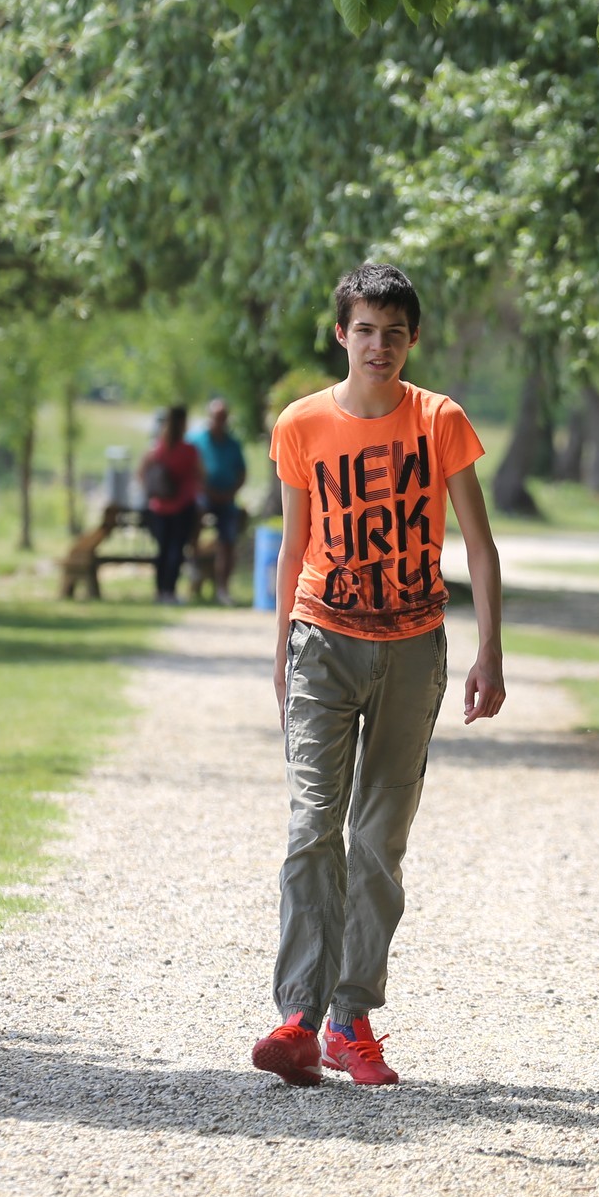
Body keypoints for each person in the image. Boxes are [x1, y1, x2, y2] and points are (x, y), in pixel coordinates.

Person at [252, 262, 507, 1087]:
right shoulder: (300, 424)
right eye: (365, 329)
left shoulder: (440, 421)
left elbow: (479, 544)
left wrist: (490, 649)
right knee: (311, 827)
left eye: (395, 332)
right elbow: (293, 547)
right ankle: (298, 1016)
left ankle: (350, 1019)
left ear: (413, 339)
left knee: (377, 841)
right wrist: (281, 649)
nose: (379, 346)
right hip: (322, 642)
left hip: (412, 647)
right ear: (341, 334)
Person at [141, 404, 204, 605]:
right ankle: (169, 591)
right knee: (176, 550)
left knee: (162, 550)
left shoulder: (156, 449)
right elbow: (201, 475)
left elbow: (142, 473)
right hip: (183, 507)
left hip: (158, 507)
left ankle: (160, 590)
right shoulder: (189, 451)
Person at [189, 397, 249, 605]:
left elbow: (242, 472)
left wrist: (231, 492)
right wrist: (206, 490)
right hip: (203, 496)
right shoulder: (196, 440)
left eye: (223, 418)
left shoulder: (233, 444)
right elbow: (192, 471)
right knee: (194, 518)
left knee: (228, 539)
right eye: (217, 417)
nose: (220, 422)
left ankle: (223, 587)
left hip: (227, 498)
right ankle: (193, 566)